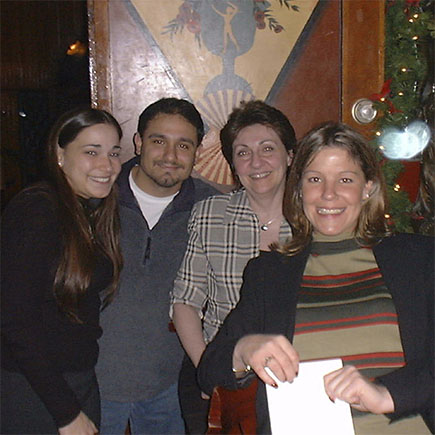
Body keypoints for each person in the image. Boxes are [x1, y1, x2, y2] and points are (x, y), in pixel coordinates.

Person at [197, 122, 434, 434]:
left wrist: (386, 393)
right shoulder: (269, 274)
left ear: (368, 187)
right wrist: (244, 349)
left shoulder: (419, 259)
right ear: (299, 189)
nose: (328, 194)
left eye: (345, 179)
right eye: (314, 179)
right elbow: (208, 371)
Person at [171, 100, 296, 433]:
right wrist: (207, 371)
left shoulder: (311, 219)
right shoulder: (209, 213)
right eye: (242, 153)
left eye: (268, 148)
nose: (256, 162)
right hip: (213, 366)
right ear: (232, 163)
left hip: (292, 376)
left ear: (290, 156)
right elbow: (185, 301)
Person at [95, 98, 218, 434]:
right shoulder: (98, 196)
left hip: (166, 387)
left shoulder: (211, 209)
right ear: (138, 142)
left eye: (184, 145)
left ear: (198, 150)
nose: (170, 156)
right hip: (90, 384)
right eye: (158, 141)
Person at [1, 108, 123, 434]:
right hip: (34, 391)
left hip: (73, 382)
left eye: (114, 153)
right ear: (59, 153)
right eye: (91, 152)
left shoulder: (87, 213)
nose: (107, 165)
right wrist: (66, 413)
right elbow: (15, 321)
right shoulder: (38, 210)